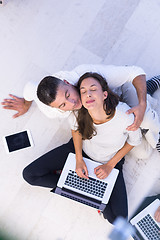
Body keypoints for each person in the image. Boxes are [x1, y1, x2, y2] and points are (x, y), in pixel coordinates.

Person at [23, 72, 142, 224]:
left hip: (110, 160)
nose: (73, 101)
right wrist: (78, 159)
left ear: (105, 94)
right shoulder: (79, 106)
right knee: (29, 175)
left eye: (92, 90)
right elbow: (76, 129)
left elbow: (134, 141)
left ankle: (90, 190)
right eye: (84, 91)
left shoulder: (124, 116)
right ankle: (79, 186)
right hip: (80, 150)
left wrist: (109, 165)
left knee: (119, 220)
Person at [1, 64, 160, 151]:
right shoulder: (50, 110)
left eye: (69, 94)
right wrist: (26, 103)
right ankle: (149, 90)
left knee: (146, 120)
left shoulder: (86, 73)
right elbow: (30, 88)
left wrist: (142, 104)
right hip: (109, 110)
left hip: (120, 91)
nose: (73, 104)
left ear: (69, 84)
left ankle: (149, 89)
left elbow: (135, 72)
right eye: (63, 105)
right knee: (138, 145)